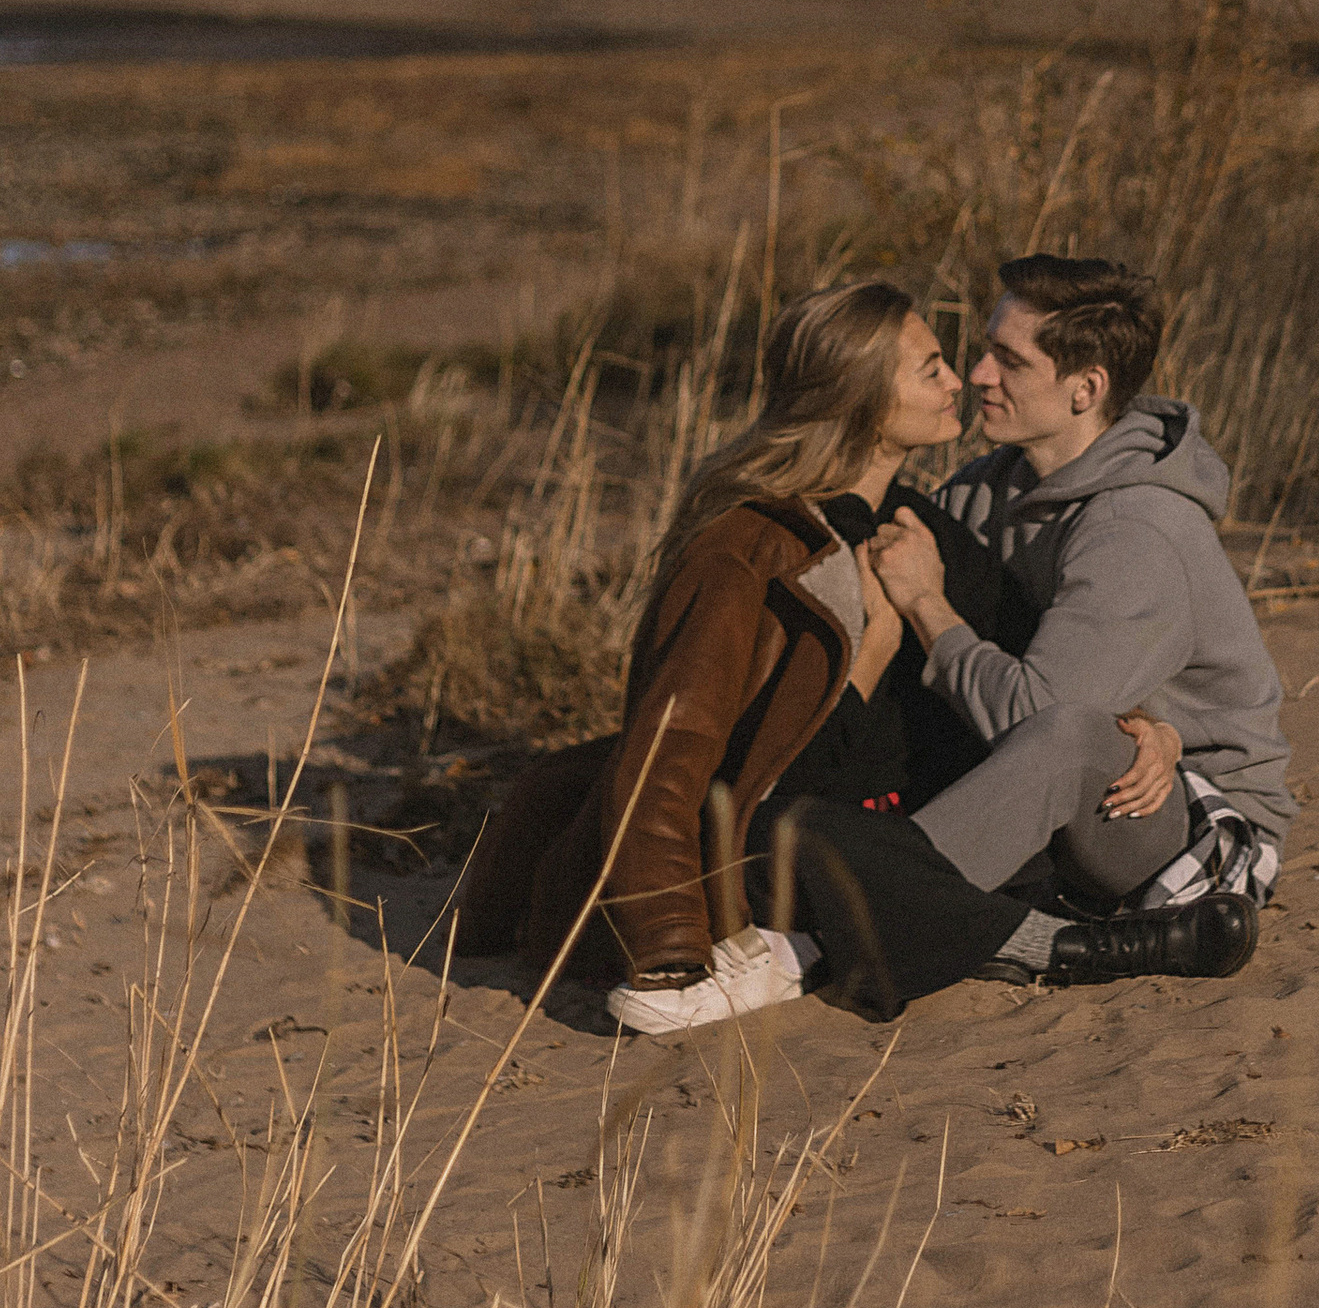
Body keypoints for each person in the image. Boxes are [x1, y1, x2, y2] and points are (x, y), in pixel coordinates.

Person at [453, 281, 1228, 1035]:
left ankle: (884, 934)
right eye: (932, 370)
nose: (962, 380)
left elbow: (1043, 668)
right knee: (809, 832)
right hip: (776, 837)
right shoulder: (745, 547)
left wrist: (1143, 724)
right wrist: (666, 953)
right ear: (862, 401)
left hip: (907, 832)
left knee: (888, 844)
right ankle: (1065, 949)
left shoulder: (923, 527)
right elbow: (674, 753)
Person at [870, 254, 1292, 942]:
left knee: (1063, 735)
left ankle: (852, 912)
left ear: (1085, 388)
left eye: (1009, 360)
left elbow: (1037, 722)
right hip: (1086, 781)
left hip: (1190, 824)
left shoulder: (1139, 527)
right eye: (984, 350)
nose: (977, 374)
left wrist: (928, 607)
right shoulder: (988, 486)